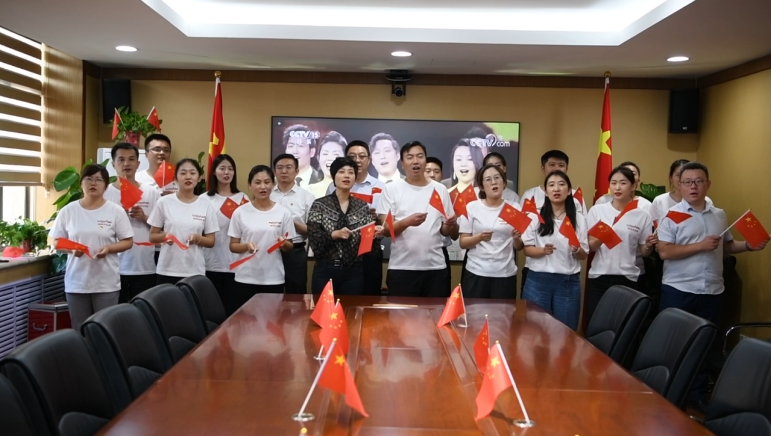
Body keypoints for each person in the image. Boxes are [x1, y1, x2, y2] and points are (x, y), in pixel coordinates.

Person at [657, 161, 768, 410]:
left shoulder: (718, 214)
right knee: (677, 344)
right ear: (679, 184)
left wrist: (748, 246)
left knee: (705, 345)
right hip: (679, 290)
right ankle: (670, 395)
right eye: (687, 182)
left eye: (698, 181)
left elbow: (725, 246)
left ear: (708, 184)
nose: (693, 186)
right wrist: (700, 245)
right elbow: (664, 252)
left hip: (712, 290)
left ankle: (696, 395)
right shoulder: (671, 215)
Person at [51, 164, 133, 331]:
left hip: (106, 282)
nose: (93, 183)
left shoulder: (115, 211)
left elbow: (128, 241)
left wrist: (109, 248)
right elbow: (56, 241)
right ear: (81, 183)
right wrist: (71, 250)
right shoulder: (68, 211)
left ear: (106, 186)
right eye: (88, 179)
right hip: (77, 282)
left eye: (98, 180)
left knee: (105, 329)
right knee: (79, 329)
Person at [377, 141, 457, 297]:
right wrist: (407, 222)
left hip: (435, 267)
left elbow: (445, 231)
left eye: (420, 156)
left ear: (425, 160)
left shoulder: (440, 189)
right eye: (410, 157)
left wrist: (449, 224)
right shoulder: (391, 189)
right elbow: (387, 230)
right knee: (401, 312)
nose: (415, 161)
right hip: (401, 268)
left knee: (435, 312)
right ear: (402, 164)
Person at [585, 166, 658, 322]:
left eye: (623, 183)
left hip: (628, 278)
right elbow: (590, 247)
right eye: (613, 183)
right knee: (596, 323)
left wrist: (648, 245)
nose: (617, 187)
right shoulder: (597, 210)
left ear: (633, 186)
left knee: (622, 326)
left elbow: (644, 252)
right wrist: (603, 236)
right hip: (600, 277)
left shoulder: (642, 215)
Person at [521, 170, 588, 330]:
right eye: (551, 185)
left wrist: (576, 250)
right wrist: (543, 251)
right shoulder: (535, 216)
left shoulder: (578, 219)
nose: (556, 189)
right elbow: (527, 250)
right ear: (545, 191)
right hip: (538, 281)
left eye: (561, 184)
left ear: (569, 190)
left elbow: (584, 255)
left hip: (568, 283)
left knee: (565, 332)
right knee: (533, 332)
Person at [308, 157, 380, 295]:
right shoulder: (320, 205)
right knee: (323, 308)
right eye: (341, 172)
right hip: (325, 269)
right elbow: (314, 240)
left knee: (351, 308)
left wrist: (375, 235)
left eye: (351, 172)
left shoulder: (362, 206)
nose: (347, 176)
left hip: (354, 271)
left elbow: (369, 248)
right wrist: (333, 235)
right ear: (333, 176)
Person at [229, 165, 296, 306]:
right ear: (249, 185)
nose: (262, 187)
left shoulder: (283, 212)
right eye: (257, 182)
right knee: (244, 318)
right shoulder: (240, 212)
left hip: (273, 278)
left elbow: (290, 246)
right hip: (245, 277)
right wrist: (246, 246)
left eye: (267, 182)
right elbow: (233, 246)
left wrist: (283, 243)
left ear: (273, 184)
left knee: (272, 317)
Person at [327, 140, 388, 295]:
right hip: (341, 249)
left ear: (369, 160)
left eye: (362, 156)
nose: (357, 160)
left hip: (369, 249)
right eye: (352, 156)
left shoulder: (381, 187)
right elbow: (327, 217)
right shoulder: (334, 186)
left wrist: (376, 219)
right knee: (341, 296)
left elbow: (385, 222)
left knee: (369, 295)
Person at [103, 142, 160, 302]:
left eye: (131, 159)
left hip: (144, 266)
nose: (126, 163)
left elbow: (162, 228)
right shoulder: (105, 193)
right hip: (113, 266)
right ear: (113, 164)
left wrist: (144, 217)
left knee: (143, 311)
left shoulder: (151, 192)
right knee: (116, 313)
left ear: (138, 164)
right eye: (121, 159)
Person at [148, 158, 219, 285]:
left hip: (195, 271)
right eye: (183, 173)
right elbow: (152, 236)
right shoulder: (164, 202)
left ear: (199, 178)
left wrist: (198, 238)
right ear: (175, 178)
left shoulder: (206, 204)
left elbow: (211, 241)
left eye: (192, 173)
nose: (188, 177)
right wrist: (165, 236)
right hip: (167, 270)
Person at [459, 164, 524, 298]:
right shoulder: (471, 207)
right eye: (488, 179)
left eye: (497, 178)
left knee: (504, 312)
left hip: (505, 273)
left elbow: (519, 247)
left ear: (504, 183)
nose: (494, 182)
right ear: (482, 186)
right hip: (476, 272)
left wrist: (516, 238)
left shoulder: (514, 208)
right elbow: (463, 243)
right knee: (474, 311)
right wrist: (479, 238)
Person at [202, 154, 248, 315]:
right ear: (214, 172)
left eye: (230, 169)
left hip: (236, 264)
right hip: (210, 263)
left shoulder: (243, 198)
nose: (226, 172)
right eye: (222, 168)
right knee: (212, 311)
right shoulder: (204, 199)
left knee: (233, 311)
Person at [271, 153, 316, 294]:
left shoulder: (307, 197)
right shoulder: (267, 194)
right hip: (270, 251)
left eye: (289, 167)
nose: (284, 171)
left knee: (296, 294)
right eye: (280, 167)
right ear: (274, 171)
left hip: (295, 252)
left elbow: (312, 230)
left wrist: (289, 221)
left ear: (297, 171)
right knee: (271, 292)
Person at [520, 150, 585, 214]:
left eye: (561, 165)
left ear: (567, 169)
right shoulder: (530, 195)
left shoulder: (576, 196)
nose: (556, 169)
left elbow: (583, 219)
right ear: (543, 168)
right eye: (552, 165)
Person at [650, 159, 713, 224]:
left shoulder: (706, 201)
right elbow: (654, 225)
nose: (681, 178)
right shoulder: (659, 201)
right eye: (678, 175)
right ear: (671, 178)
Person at [425, 156, 454, 292]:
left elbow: (451, 234)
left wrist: (451, 223)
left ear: (442, 175)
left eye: (436, 171)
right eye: (428, 171)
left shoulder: (446, 194)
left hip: (439, 253)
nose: (432, 174)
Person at [308, 131, 346, 198]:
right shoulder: (309, 192)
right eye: (325, 154)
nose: (330, 158)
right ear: (318, 158)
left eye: (336, 154)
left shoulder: (354, 190)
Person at [283, 124, 322, 189]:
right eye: (291, 146)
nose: (295, 151)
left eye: (300, 146)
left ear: (312, 152)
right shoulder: (276, 181)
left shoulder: (322, 179)